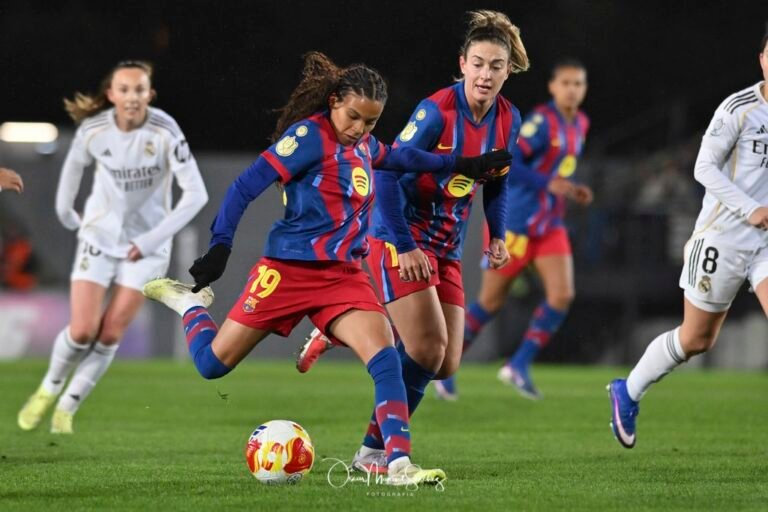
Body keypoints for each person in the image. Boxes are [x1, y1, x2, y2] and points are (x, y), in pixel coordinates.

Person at [141, 52, 509, 485]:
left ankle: (395, 464)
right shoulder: (308, 137)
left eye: (370, 122)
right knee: (212, 366)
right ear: (334, 101)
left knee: (386, 356)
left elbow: (403, 158)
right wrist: (220, 247)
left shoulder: (365, 145)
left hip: (343, 277)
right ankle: (189, 305)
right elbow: (245, 186)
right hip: (287, 273)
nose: (360, 130)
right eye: (354, 117)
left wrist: (459, 165)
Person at [295, 10, 528, 471]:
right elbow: (384, 175)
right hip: (399, 235)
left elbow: (498, 180)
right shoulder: (436, 111)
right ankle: (372, 454)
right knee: (424, 348)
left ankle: (341, 328)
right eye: (478, 63)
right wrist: (404, 245)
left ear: (508, 70)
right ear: (462, 64)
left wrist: (497, 234)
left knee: (445, 363)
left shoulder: (509, 119)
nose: (485, 74)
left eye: (495, 66)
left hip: (447, 246)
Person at [17, 61, 208, 434]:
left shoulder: (165, 130)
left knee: (110, 332)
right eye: (124, 89)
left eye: (139, 90)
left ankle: (66, 409)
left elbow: (196, 194)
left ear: (149, 95)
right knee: (83, 329)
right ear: (111, 95)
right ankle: (47, 389)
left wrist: (150, 240)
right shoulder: (94, 130)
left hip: (147, 246)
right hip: (100, 239)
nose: (132, 97)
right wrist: (67, 213)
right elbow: (72, 169)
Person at [609, 34, 768, 449]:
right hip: (723, 237)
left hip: (767, 244)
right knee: (697, 339)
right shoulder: (740, 108)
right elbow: (703, 168)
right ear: (761, 59)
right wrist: (750, 207)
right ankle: (627, 391)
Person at [435, 58, 592, 401]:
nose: (572, 90)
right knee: (490, 302)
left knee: (562, 294)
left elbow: (558, 170)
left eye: (578, 84)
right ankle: (445, 368)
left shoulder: (579, 122)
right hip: (518, 224)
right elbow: (511, 161)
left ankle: (518, 365)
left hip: (549, 225)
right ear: (553, 87)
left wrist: (570, 187)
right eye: (566, 83)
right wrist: (548, 183)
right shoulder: (540, 123)